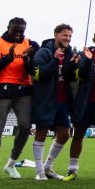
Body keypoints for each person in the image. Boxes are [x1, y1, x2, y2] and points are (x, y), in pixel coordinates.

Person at [0, 18, 39, 180]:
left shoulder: (31, 44)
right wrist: (8, 57)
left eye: (21, 31)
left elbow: (33, 70)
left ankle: (11, 164)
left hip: (23, 89)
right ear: (8, 28)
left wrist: (27, 59)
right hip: (1, 88)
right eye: (15, 30)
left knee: (25, 126)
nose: (18, 34)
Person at [30, 24, 81, 180]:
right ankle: (39, 171)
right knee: (41, 133)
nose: (68, 39)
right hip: (46, 99)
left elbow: (71, 78)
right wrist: (54, 59)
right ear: (56, 35)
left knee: (65, 133)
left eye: (70, 36)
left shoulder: (69, 53)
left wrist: (74, 65)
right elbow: (38, 75)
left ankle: (47, 167)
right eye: (65, 35)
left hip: (63, 100)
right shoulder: (43, 52)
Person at [65, 29, 95, 181]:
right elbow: (81, 75)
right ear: (94, 40)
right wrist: (87, 60)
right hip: (84, 102)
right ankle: (72, 170)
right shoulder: (83, 54)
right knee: (78, 135)